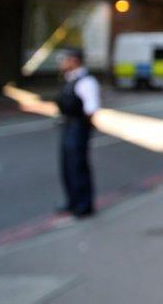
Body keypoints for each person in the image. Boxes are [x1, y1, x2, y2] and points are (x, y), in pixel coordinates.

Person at [55, 48, 99, 218]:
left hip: (78, 127)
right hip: (68, 126)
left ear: (74, 61)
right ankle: (72, 201)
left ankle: (84, 204)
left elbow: (91, 109)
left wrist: (82, 126)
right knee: (67, 166)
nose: (61, 63)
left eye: (64, 59)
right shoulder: (70, 79)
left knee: (78, 166)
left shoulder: (86, 82)